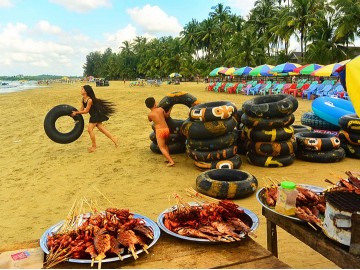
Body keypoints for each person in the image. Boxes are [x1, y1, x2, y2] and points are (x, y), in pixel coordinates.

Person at [71, 85, 118, 152]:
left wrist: (76, 113)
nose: (81, 90)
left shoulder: (89, 100)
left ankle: (94, 146)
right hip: (94, 115)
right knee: (102, 129)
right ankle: (114, 139)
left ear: (86, 91)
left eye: (82, 89)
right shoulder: (83, 99)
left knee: (90, 130)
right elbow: (81, 110)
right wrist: (76, 114)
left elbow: (86, 111)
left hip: (95, 116)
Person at [145, 97, 175, 167]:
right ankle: (167, 158)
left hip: (160, 131)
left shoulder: (150, 114)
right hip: (166, 129)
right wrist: (171, 107)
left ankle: (171, 161)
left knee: (161, 147)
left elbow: (150, 120)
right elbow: (167, 115)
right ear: (155, 103)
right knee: (165, 145)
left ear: (147, 106)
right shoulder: (161, 109)